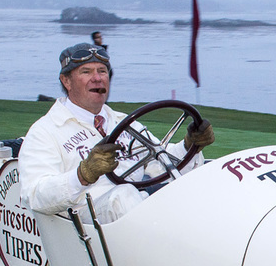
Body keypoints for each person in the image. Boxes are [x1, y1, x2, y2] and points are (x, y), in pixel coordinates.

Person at [18, 42, 215, 222]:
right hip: (85, 225)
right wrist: (83, 174)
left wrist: (191, 145)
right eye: (86, 72)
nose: (97, 78)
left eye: (102, 71)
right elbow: (34, 195)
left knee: (205, 184)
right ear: (66, 81)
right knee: (123, 196)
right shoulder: (45, 131)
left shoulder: (123, 123)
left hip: (137, 213)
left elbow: (160, 165)